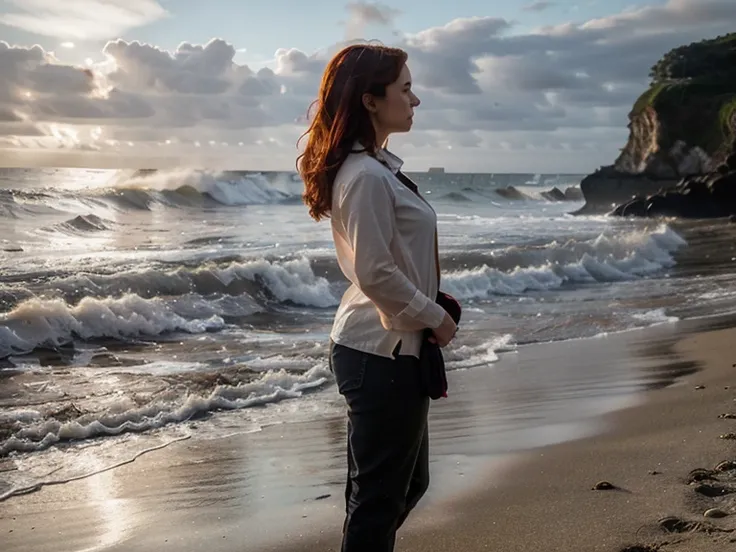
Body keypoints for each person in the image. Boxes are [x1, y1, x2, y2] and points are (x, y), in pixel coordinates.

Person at [296, 43, 458, 552]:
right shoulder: (366, 176)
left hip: (387, 351)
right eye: (405, 89)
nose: (416, 100)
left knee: (400, 488)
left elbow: (387, 263)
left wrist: (429, 305)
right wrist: (435, 316)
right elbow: (374, 272)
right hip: (378, 355)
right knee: (378, 502)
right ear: (370, 100)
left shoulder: (377, 168)